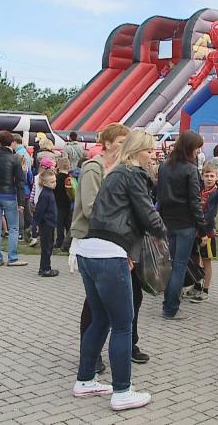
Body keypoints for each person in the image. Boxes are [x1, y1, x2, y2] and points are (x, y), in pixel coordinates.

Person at [73, 130, 164, 410]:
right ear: (137, 151)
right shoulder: (135, 175)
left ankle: (85, 380)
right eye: (148, 150)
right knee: (123, 325)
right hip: (109, 255)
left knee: (100, 320)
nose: (153, 155)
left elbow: (101, 212)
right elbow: (147, 215)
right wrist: (165, 233)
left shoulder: (112, 172)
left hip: (89, 250)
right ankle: (122, 392)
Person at [70, 124, 145, 368]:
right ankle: (90, 355)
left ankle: (128, 343)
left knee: (133, 294)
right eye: (121, 141)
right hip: (96, 242)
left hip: (119, 242)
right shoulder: (95, 168)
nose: (125, 146)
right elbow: (92, 208)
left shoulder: (123, 169)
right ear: (109, 143)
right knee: (94, 303)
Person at [157, 131, 207, 320]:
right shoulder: (190, 169)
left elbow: (159, 195)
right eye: (197, 147)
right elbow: (195, 202)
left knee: (171, 264)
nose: (198, 150)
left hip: (167, 221)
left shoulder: (164, 167)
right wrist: (202, 229)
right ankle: (171, 308)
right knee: (179, 265)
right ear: (190, 147)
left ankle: (167, 303)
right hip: (186, 223)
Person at [0, 130, 28, 267]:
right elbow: (20, 182)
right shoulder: (16, 158)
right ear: (12, 142)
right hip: (9, 195)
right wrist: (21, 202)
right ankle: (12, 258)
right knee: (13, 228)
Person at [192, 163, 218, 303]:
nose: (209, 178)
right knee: (195, 259)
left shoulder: (216, 193)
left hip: (207, 232)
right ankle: (196, 285)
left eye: (212, 176)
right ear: (202, 176)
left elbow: (211, 214)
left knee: (206, 261)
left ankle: (206, 289)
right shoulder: (199, 190)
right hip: (195, 232)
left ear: (216, 177)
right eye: (206, 175)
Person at [34, 170, 59, 277]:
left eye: (55, 181)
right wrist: (36, 224)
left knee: (49, 246)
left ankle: (44, 267)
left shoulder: (50, 193)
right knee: (46, 247)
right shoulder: (45, 194)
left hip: (50, 223)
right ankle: (45, 268)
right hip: (46, 224)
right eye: (52, 182)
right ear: (44, 183)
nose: (55, 183)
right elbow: (39, 211)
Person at [53, 157, 73, 250]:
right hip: (68, 202)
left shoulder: (57, 178)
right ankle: (70, 240)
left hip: (58, 202)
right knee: (68, 222)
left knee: (60, 223)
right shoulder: (70, 177)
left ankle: (59, 241)